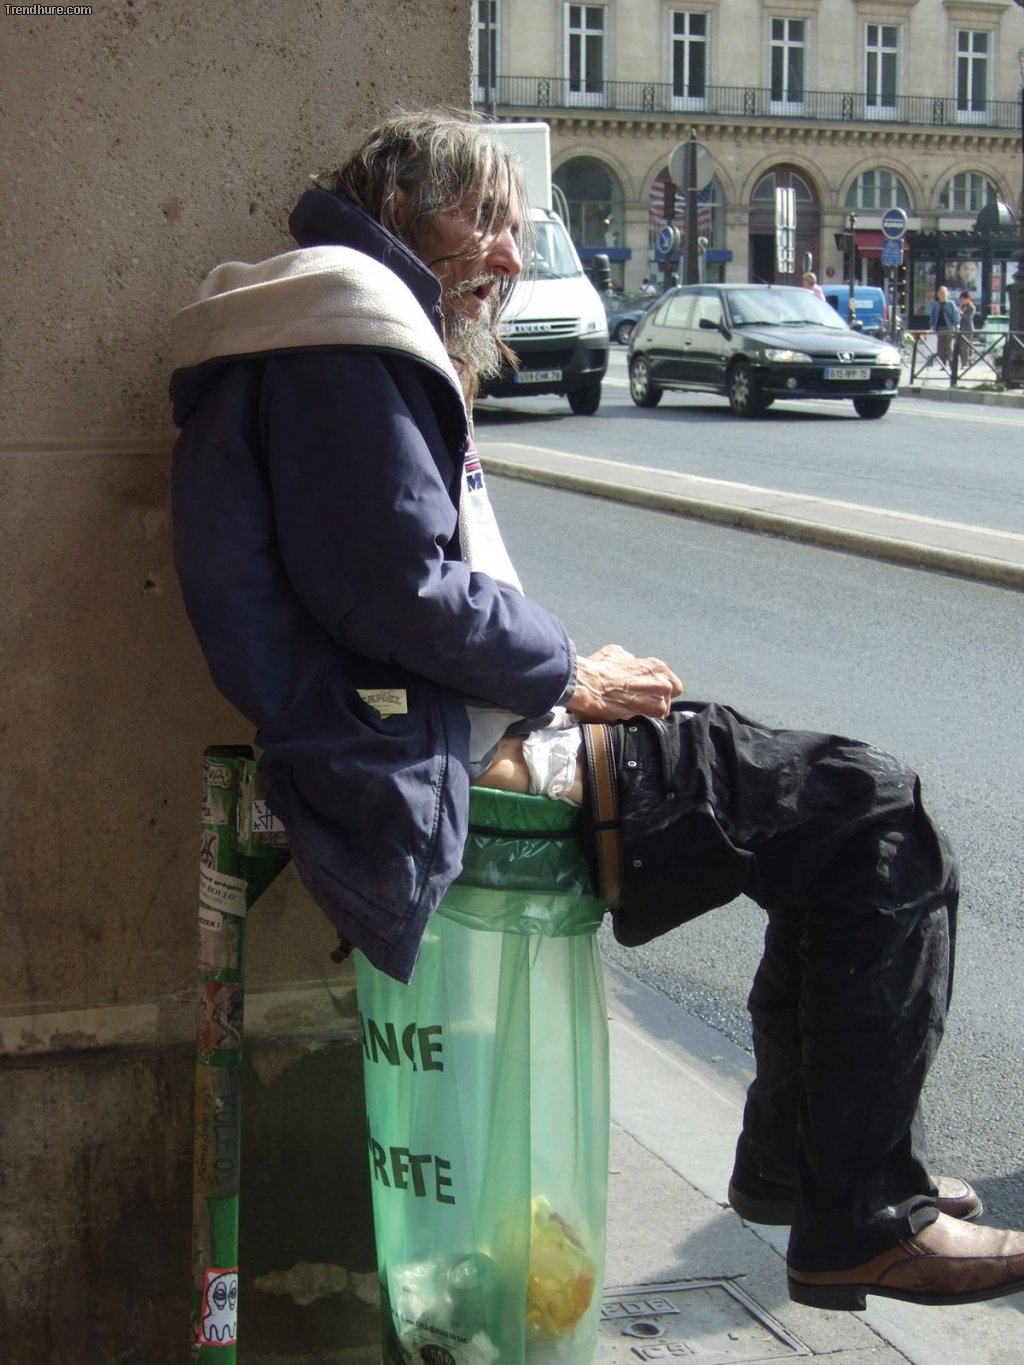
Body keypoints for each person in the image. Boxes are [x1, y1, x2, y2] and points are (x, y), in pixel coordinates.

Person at [170, 110, 1024, 1313]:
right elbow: (395, 590)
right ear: (399, 211)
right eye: (483, 219)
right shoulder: (348, 334)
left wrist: (556, 669)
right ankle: (858, 1217)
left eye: (516, 225)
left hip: (440, 724)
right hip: (458, 747)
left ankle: (819, 1172)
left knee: (840, 808)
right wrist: (566, 673)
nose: (508, 254)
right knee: (871, 810)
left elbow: (386, 581)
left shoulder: (324, 324)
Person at [928, 284, 959, 367]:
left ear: (947, 294)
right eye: (941, 293)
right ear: (938, 295)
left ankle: (951, 362)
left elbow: (955, 314)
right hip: (939, 328)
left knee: (949, 346)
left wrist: (957, 324)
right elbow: (932, 316)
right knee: (940, 346)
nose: (942, 295)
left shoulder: (951, 304)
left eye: (944, 293)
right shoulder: (935, 305)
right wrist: (932, 325)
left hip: (949, 328)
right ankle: (942, 363)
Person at [957, 289, 976, 370]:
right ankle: (967, 361)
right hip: (961, 329)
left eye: (963, 299)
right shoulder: (961, 307)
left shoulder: (972, 307)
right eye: (961, 300)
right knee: (960, 347)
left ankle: (965, 364)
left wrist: (962, 314)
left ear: (968, 299)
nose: (962, 301)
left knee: (966, 346)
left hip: (968, 329)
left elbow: (969, 318)